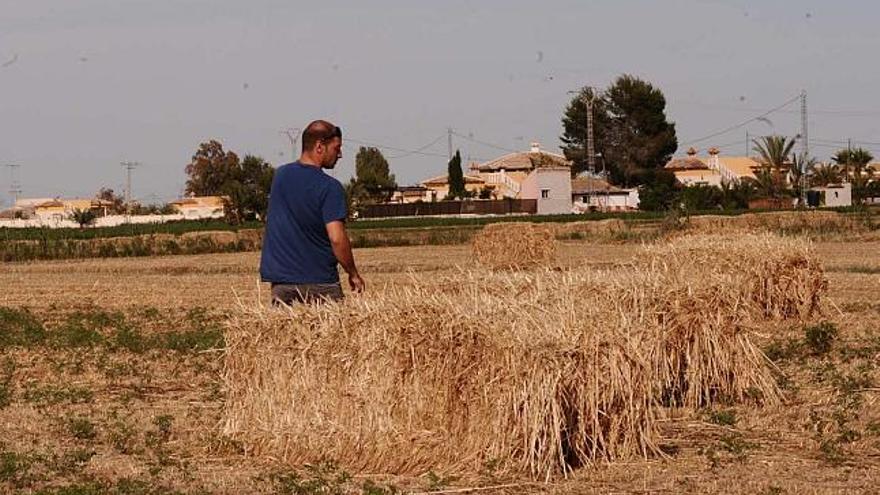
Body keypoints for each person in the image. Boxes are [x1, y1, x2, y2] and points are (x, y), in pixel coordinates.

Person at [260, 120, 365, 305]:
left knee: (286, 333)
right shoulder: (330, 187)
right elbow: (336, 238)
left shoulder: (280, 176)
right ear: (319, 147)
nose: (340, 154)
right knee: (332, 334)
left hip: (281, 283)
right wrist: (353, 273)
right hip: (320, 282)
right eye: (336, 148)